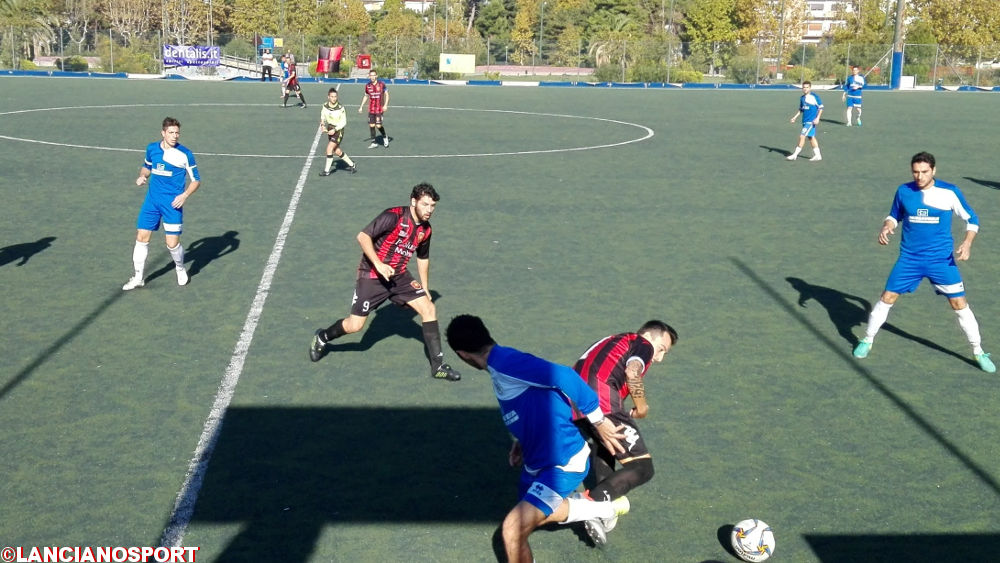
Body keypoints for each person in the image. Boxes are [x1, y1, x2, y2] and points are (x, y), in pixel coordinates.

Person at [445, 314, 632, 562]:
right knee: (539, 512)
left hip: (563, 461)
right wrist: (521, 440)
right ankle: (604, 508)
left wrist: (599, 421)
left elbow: (565, 376)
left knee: (513, 528)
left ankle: (602, 508)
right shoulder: (499, 365)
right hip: (536, 459)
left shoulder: (505, 362)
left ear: (462, 355)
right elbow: (530, 402)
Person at [853, 152, 995, 373]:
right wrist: (887, 225)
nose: (919, 176)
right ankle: (867, 340)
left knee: (959, 304)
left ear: (934, 171)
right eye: (915, 172)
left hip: (941, 261)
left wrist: (967, 243)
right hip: (909, 259)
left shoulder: (949, 192)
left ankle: (978, 351)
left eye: (924, 172)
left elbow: (972, 220)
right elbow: (894, 215)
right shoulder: (904, 191)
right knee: (887, 297)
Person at [309, 183, 462, 381]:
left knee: (429, 309)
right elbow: (363, 236)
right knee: (355, 326)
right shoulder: (394, 216)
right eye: (425, 205)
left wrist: (424, 287)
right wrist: (379, 264)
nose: (429, 210)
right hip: (372, 275)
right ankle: (322, 337)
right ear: (413, 201)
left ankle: (438, 366)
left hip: (399, 276)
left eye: (433, 206)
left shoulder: (426, 230)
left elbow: (423, 258)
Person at [572, 320, 678, 545]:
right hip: (600, 397)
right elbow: (632, 372)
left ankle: (603, 508)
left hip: (573, 397)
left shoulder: (613, 340)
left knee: (606, 445)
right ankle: (592, 503)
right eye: (662, 350)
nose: (658, 358)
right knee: (642, 467)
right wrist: (642, 406)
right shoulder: (643, 344)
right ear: (650, 335)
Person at [123, 117, 201, 290]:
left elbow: (196, 180)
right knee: (141, 237)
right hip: (151, 202)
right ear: (163, 133)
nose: (175, 136)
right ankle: (138, 278)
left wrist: (185, 195)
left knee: (172, 243)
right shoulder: (152, 149)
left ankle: (180, 268)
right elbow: (147, 167)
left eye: (177, 133)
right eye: (171, 133)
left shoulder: (185, 154)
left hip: (172, 204)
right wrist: (143, 176)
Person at [318, 88, 357, 176]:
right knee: (337, 151)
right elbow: (322, 116)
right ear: (328, 97)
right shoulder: (325, 106)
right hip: (330, 128)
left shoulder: (340, 108)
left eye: (335, 96)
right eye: (332, 97)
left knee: (329, 148)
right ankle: (352, 165)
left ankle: (327, 171)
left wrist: (334, 130)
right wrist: (323, 125)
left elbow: (344, 122)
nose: (334, 98)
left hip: (338, 130)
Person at [786, 81, 823, 162]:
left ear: (810, 88)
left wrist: (817, 118)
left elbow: (821, 108)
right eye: (804, 87)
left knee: (802, 136)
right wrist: (794, 117)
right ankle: (818, 155)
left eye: (807, 87)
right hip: (805, 121)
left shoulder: (814, 97)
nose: (805, 89)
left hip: (811, 121)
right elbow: (801, 109)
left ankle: (795, 155)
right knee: (811, 137)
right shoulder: (802, 98)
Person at [359, 69, 390, 148]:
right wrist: (361, 106)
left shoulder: (382, 84)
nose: (372, 77)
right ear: (369, 76)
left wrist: (385, 105)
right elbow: (366, 96)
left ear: (376, 76)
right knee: (372, 125)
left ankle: (384, 136)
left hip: (379, 109)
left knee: (378, 126)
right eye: (371, 75)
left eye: (374, 75)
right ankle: (374, 142)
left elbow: (387, 94)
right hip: (371, 109)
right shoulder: (368, 85)